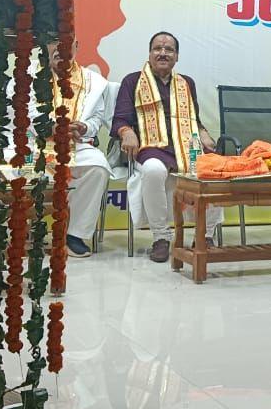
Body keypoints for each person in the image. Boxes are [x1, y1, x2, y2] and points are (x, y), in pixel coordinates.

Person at [112, 32, 223, 263]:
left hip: (187, 144)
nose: (163, 53)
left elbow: (194, 120)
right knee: (153, 170)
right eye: (158, 49)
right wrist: (126, 132)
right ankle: (161, 237)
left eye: (169, 49)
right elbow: (121, 118)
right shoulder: (132, 81)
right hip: (152, 145)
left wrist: (203, 133)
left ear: (177, 56)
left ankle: (205, 236)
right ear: (149, 53)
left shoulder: (186, 83)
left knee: (213, 169)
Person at [49, 40, 115, 258]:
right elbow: (19, 116)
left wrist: (84, 126)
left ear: (76, 46)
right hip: (37, 145)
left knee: (97, 167)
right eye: (54, 42)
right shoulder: (26, 77)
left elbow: (97, 118)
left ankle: (74, 235)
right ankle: (25, 232)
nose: (60, 48)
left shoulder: (93, 82)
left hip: (77, 144)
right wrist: (50, 128)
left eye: (66, 42)